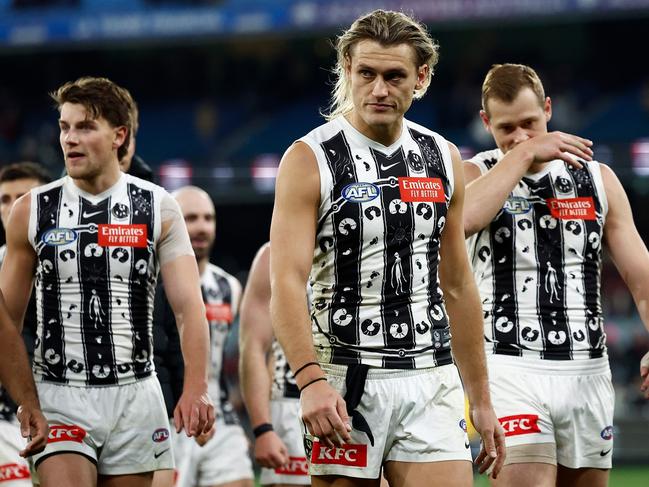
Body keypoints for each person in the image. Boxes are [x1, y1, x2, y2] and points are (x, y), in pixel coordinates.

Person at [269, 9, 505, 487]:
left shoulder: (441, 156)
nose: (379, 89)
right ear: (347, 71)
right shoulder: (308, 158)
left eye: (394, 76)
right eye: (367, 74)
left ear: (421, 78)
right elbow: (286, 283)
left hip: (431, 377)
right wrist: (310, 380)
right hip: (346, 378)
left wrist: (480, 394)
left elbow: (457, 284)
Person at [0, 76, 214, 487]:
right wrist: (26, 400)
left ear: (119, 135)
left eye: (84, 127)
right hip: (60, 394)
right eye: (64, 127)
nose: (70, 139)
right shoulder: (31, 210)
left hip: (137, 396)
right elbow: (6, 321)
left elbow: (189, 309)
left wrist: (196, 388)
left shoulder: (159, 207)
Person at [463, 63, 649, 487]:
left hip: (588, 370)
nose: (520, 137)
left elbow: (641, 276)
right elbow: (462, 222)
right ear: (486, 123)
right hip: (509, 367)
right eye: (507, 128)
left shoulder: (598, 179)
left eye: (530, 124)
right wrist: (524, 155)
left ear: (548, 109)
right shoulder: (474, 174)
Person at [169, 186, 254, 487]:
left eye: (208, 218)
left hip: (220, 419)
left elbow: (233, 360)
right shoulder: (153, 281)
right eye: (190, 218)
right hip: (168, 419)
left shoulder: (229, 286)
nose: (201, 227)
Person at [239, 242, 310, 486]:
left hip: (354, 402)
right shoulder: (273, 255)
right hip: (290, 409)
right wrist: (263, 428)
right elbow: (254, 348)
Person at [0, 161, 52, 486]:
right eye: (5, 199)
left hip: (73, 415)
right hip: (8, 419)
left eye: (24, 196)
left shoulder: (79, 266)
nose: (14, 207)